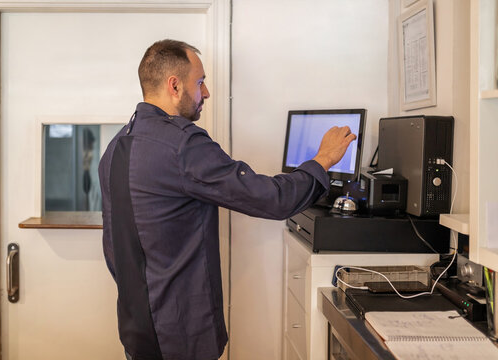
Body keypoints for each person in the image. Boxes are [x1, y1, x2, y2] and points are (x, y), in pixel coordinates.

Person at [98, 39, 356, 360]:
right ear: (175, 86)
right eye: (201, 82)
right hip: (179, 336)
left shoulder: (114, 148)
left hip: (137, 330)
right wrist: (323, 160)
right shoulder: (182, 146)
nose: (206, 93)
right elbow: (272, 200)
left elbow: (113, 249)